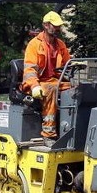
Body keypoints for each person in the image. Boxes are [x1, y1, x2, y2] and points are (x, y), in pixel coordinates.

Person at [22, 11, 71, 145]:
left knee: (77, 89)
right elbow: (29, 70)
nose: (57, 28)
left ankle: (70, 128)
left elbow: (67, 64)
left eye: (58, 26)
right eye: (54, 25)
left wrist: (73, 66)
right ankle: (48, 134)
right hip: (38, 83)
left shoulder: (60, 44)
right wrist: (34, 86)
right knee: (51, 89)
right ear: (45, 25)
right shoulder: (34, 45)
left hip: (55, 81)